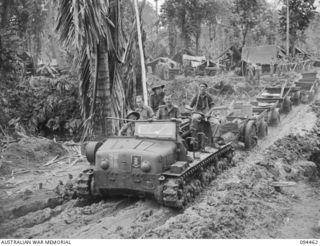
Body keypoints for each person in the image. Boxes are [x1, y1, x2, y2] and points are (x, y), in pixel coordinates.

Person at [189, 82, 221, 147]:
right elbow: (190, 106)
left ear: (206, 88)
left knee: (216, 123)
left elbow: (212, 106)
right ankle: (194, 138)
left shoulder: (208, 96)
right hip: (198, 113)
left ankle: (215, 141)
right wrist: (192, 111)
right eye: (201, 86)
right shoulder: (196, 96)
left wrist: (209, 113)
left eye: (203, 87)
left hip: (207, 114)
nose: (202, 88)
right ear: (199, 88)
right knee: (194, 118)